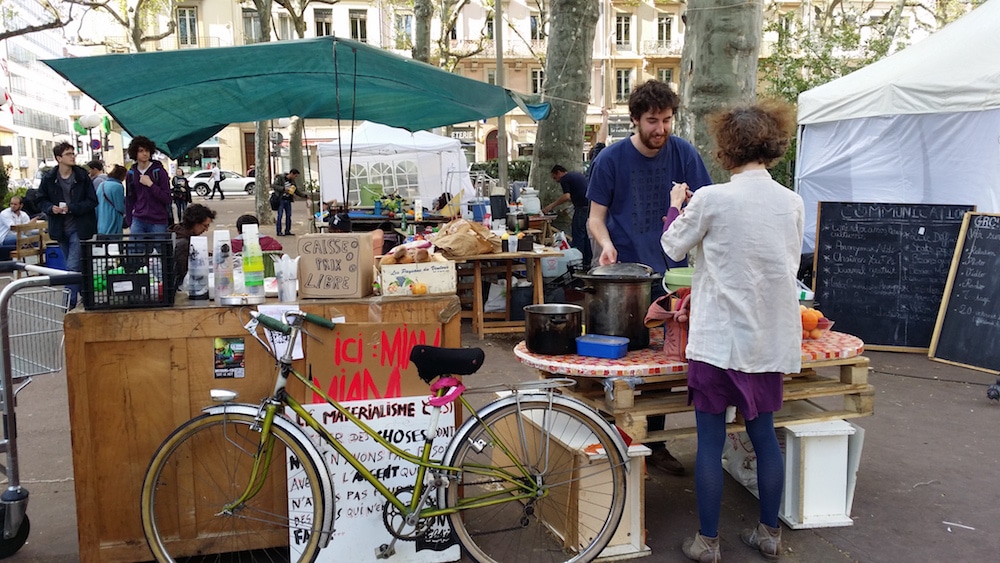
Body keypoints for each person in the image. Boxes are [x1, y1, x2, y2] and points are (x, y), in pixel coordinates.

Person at [660, 101, 803, 563]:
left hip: (718, 340)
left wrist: (675, 206)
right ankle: (769, 534)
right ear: (772, 143)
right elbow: (785, 266)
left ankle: (708, 542)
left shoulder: (712, 198)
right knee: (765, 438)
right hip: (769, 339)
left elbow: (672, 247)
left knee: (710, 441)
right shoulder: (792, 201)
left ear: (726, 148)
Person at [586, 79, 712, 476]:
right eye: (653, 121)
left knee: (664, 362)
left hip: (674, 277)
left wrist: (689, 207)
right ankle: (611, 438)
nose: (661, 129)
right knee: (623, 359)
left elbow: (708, 206)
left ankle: (654, 444)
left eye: (667, 120)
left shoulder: (684, 153)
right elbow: (595, 218)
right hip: (624, 275)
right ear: (635, 120)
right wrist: (605, 245)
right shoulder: (611, 159)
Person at [37, 142, 98, 308]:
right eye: (68, 154)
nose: (72, 156)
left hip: (80, 228)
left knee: (72, 266)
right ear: (58, 158)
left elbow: (93, 201)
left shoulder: (82, 176)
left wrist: (72, 208)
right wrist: (51, 208)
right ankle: (86, 299)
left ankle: (68, 305)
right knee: (77, 267)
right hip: (60, 228)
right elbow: (40, 200)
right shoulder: (49, 178)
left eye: (73, 153)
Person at [544, 164, 592, 266]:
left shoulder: (564, 179)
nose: (556, 181)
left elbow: (566, 196)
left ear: (558, 172)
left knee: (578, 234)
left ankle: (577, 262)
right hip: (589, 206)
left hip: (581, 208)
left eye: (555, 177)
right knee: (586, 235)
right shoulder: (576, 175)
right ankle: (588, 261)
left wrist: (550, 206)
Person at [124, 136, 172, 234]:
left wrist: (151, 185)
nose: (145, 153)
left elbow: (167, 198)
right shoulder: (131, 174)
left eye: (147, 150)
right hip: (138, 219)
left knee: (159, 249)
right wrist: (130, 221)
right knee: (135, 249)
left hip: (158, 220)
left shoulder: (159, 171)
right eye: (141, 151)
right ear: (135, 153)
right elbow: (129, 199)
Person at [170, 203, 217, 290]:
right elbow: (183, 273)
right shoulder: (183, 243)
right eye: (205, 226)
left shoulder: (181, 234)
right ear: (195, 223)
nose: (206, 230)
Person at [96, 165, 127, 235]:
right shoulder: (118, 186)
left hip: (101, 218)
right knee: (114, 242)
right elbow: (120, 207)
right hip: (113, 218)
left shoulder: (102, 185)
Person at [272, 168, 300, 236]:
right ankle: (279, 231)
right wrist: (284, 189)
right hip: (281, 199)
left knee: (288, 215)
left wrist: (304, 195)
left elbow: (296, 190)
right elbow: (274, 186)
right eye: (295, 176)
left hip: (288, 199)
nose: (295, 178)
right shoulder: (280, 178)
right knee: (280, 215)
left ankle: (287, 230)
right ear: (291, 174)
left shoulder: (292, 181)